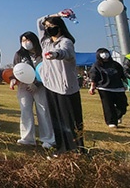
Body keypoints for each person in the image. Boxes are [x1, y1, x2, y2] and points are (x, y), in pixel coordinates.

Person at [37, 12, 84, 154]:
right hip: (50, 85)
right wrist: (58, 14)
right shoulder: (45, 42)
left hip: (65, 88)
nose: (47, 29)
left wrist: (55, 55)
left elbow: (65, 52)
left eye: (51, 26)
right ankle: (61, 148)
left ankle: (76, 149)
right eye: (46, 27)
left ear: (60, 27)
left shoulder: (66, 42)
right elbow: (39, 20)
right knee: (56, 119)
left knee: (69, 120)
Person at [10, 31, 55, 148]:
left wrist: (37, 83)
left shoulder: (43, 53)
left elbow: (47, 71)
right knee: (25, 111)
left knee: (43, 110)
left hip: (40, 86)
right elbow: (16, 69)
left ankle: (48, 139)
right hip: (24, 86)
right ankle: (27, 138)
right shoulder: (19, 54)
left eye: (27, 40)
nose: (25, 43)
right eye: (23, 41)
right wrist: (13, 79)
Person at [88, 48, 128, 128]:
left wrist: (126, 84)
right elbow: (93, 76)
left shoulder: (116, 64)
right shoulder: (96, 65)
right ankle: (111, 122)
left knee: (123, 105)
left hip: (118, 87)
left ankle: (118, 115)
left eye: (106, 52)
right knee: (108, 106)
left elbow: (123, 75)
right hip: (104, 88)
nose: (105, 54)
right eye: (102, 53)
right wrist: (92, 87)